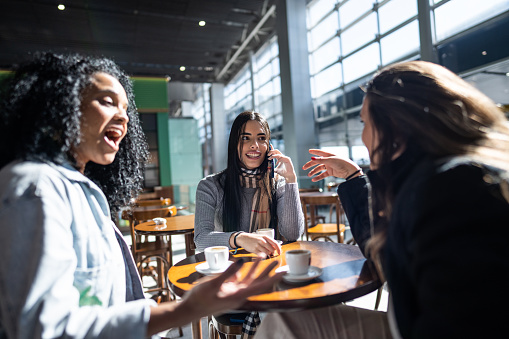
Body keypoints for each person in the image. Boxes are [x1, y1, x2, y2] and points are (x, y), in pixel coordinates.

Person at [0, 52, 284, 339]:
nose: (123, 116)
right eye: (107, 101)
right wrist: (186, 309)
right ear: (60, 106)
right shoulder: (33, 188)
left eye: (125, 108)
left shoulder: (82, 192)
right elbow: (43, 328)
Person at [255, 60, 509, 339]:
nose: (363, 136)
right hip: (410, 321)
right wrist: (354, 178)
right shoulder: (455, 176)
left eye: (365, 122)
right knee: (282, 321)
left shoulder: (450, 190)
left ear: (396, 126)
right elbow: (384, 255)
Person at [194, 111, 304, 257]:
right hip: (227, 269)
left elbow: (292, 234)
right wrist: (240, 238)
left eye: (261, 138)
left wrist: (291, 180)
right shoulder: (210, 186)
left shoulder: (277, 183)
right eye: (245, 138)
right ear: (234, 144)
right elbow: (201, 239)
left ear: (269, 146)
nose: (254, 145)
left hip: (269, 266)